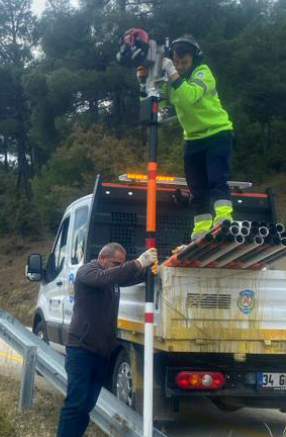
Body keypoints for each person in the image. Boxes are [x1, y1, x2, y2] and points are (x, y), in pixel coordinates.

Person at [56, 243, 157, 437]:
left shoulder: (112, 279)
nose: (119, 267)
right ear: (102, 258)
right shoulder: (88, 272)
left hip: (101, 353)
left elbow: (128, 276)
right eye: (116, 263)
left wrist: (151, 270)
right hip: (81, 350)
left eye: (121, 264)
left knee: (87, 405)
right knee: (75, 404)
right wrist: (138, 262)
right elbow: (107, 277)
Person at [154, 35, 235, 241]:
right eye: (176, 62)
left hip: (217, 132)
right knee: (197, 188)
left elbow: (189, 97)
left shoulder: (203, 73)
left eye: (184, 62)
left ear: (194, 59)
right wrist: (147, 84)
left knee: (216, 179)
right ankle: (201, 228)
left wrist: (171, 72)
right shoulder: (171, 80)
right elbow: (156, 99)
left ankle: (224, 219)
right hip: (193, 139)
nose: (179, 66)